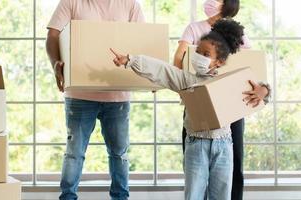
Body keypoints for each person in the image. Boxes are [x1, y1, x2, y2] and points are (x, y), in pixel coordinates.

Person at [110, 19, 270, 200]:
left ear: (219, 62)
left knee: (222, 195)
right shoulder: (186, 81)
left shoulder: (229, 82)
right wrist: (130, 60)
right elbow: (160, 70)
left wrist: (263, 90)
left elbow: (261, 88)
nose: (199, 56)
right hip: (196, 144)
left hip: (224, 145)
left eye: (206, 54)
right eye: (198, 51)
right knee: (193, 194)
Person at [45, 1, 145, 200]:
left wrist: (149, 76)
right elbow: (52, 35)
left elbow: (142, 41)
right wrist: (55, 63)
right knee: (74, 153)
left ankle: (120, 197)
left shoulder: (130, 4)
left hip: (118, 95)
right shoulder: (72, 2)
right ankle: (67, 197)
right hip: (79, 95)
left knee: (119, 153)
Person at [173, 1, 270, 199]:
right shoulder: (195, 28)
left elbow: (251, 67)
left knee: (233, 165)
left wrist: (263, 90)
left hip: (231, 108)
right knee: (195, 171)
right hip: (199, 103)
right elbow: (178, 58)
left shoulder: (237, 34)